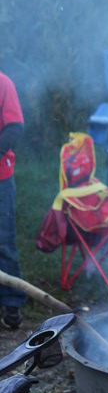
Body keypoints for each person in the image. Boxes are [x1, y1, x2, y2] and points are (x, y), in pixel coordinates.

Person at [0, 70, 26, 328]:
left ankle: (12, 304)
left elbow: (15, 126)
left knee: (4, 243)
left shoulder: (3, 83)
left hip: (0, 179)